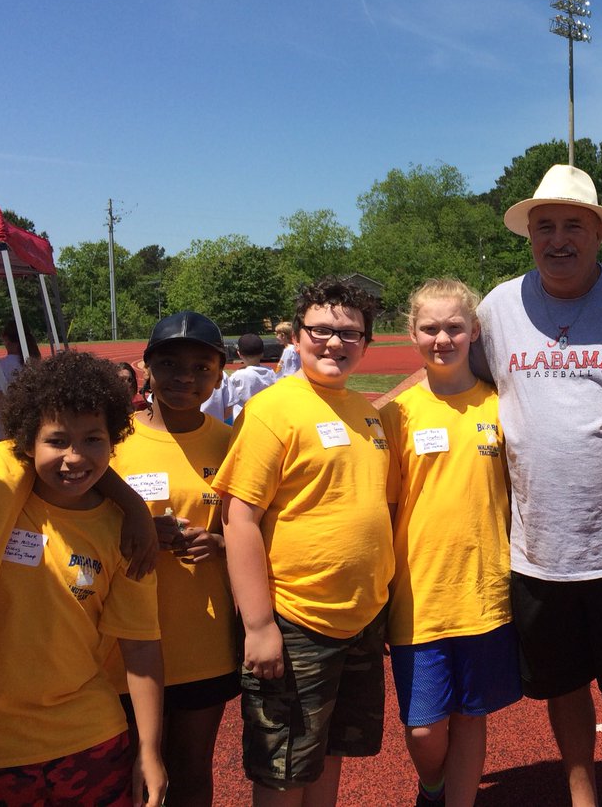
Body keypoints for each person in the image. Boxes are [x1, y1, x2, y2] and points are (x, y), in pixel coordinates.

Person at [472, 163, 602, 807]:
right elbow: (455, 381)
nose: (558, 239)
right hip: (540, 548)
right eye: (544, 226)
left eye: (573, 225)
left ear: (597, 234)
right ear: (528, 234)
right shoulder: (497, 305)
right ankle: (582, 795)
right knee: (565, 687)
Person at [215, 276, 393, 806]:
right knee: (284, 768)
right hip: (297, 621)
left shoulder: (366, 411)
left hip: (360, 619)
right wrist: (260, 625)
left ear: (366, 342)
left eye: (350, 333)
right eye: (320, 330)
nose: (335, 343)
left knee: (330, 752)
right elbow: (238, 518)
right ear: (295, 336)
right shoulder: (274, 409)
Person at [0, 351, 165, 807]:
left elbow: (140, 646)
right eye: (57, 440)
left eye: (94, 440)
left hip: (91, 739)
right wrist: (133, 501)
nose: (75, 457)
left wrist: (149, 750)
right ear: (26, 441)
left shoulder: (124, 534)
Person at [381, 278, 521, 807]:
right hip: (419, 596)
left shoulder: (500, 405)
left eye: (454, 327)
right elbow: (386, 508)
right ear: (412, 333)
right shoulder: (398, 415)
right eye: (430, 328)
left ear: (474, 331)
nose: (443, 338)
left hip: (485, 591)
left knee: (471, 715)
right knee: (423, 729)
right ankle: (432, 786)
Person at [108, 311, 238, 807]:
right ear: (147, 367)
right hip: (122, 642)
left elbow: (255, 532)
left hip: (202, 641)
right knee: (128, 774)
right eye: (170, 363)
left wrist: (221, 545)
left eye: (201, 367)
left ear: (218, 373)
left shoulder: (231, 444)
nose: (185, 377)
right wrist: (133, 525)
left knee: (191, 769)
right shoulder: (113, 440)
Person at [0, 319, 41, 443]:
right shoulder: (34, 364)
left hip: (3, 431)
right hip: (30, 427)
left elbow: (1, 404)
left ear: (6, 339)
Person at [225, 333, 278, 423]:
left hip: (244, 420)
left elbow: (227, 397)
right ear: (262, 353)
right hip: (266, 418)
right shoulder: (270, 372)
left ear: (239, 354)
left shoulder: (238, 376)